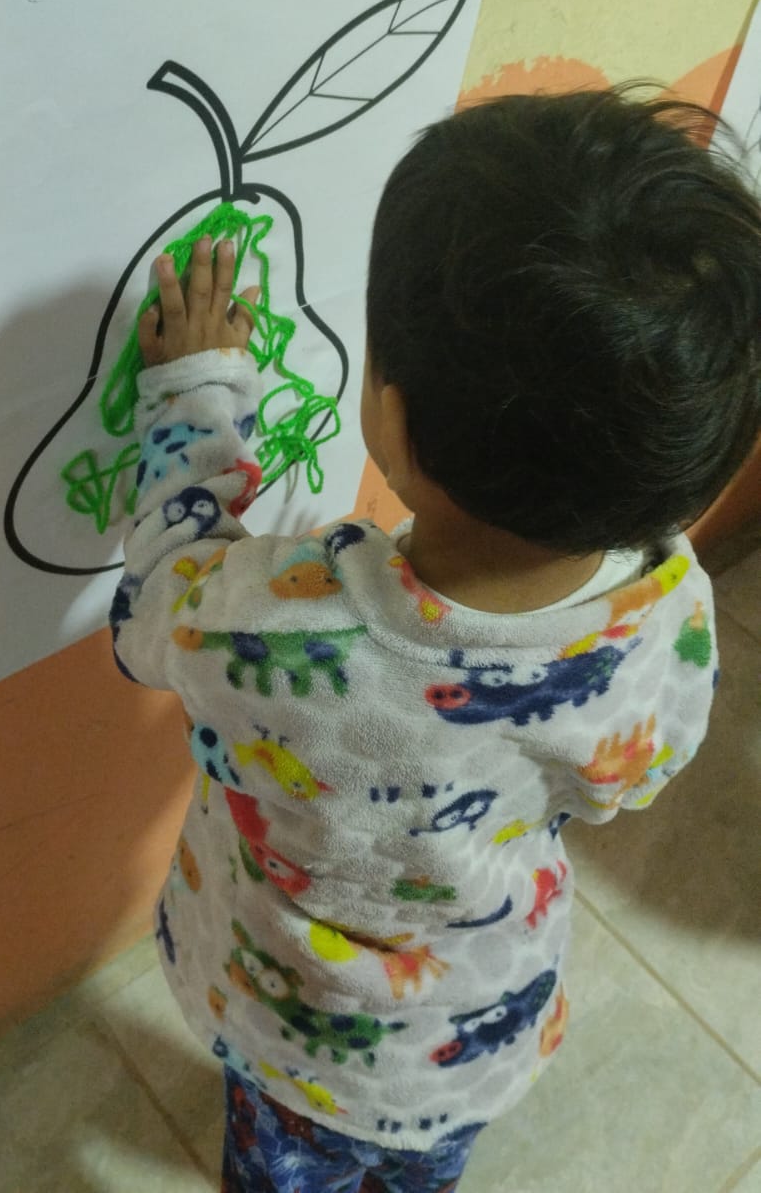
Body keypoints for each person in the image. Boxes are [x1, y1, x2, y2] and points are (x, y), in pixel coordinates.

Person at [110, 88, 761, 1193]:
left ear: (393, 421)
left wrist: (198, 392)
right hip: (465, 1044)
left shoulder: (268, 628)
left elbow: (151, 613)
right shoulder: (671, 613)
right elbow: (628, 780)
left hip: (298, 1039)